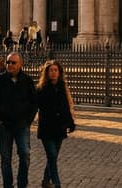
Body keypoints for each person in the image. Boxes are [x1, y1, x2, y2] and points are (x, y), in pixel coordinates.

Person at [0, 52, 38, 188]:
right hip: (4, 125)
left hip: (22, 125)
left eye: (13, 62)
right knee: (5, 158)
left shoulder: (27, 80)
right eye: (8, 62)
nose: (9, 65)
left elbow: (34, 102)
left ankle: (22, 183)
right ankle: (7, 185)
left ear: (20, 64)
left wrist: (29, 119)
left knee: (25, 155)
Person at [36, 60, 75, 188]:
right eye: (51, 70)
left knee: (53, 157)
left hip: (59, 127)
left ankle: (46, 181)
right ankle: (57, 184)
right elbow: (35, 106)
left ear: (59, 72)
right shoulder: (41, 89)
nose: (53, 72)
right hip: (46, 127)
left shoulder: (62, 87)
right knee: (52, 155)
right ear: (46, 73)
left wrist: (70, 122)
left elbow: (65, 107)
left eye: (55, 70)